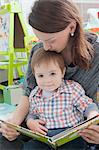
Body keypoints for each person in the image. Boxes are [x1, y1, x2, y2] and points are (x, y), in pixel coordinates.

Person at [0, 0, 99, 149]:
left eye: (50, 40)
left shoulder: (96, 53)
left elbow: (90, 108)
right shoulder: (38, 50)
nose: (45, 47)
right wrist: (13, 124)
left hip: (80, 130)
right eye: (41, 40)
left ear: (71, 27)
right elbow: (28, 95)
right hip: (42, 128)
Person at [23, 47, 99, 150]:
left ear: (62, 72)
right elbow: (32, 113)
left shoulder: (71, 89)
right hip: (46, 136)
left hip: (70, 135)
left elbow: (86, 104)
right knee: (30, 147)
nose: (47, 80)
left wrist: (92, 114)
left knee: (75, 146)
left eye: (53, 74)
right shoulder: (35, 94)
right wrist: (30, 122)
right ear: (35, 76)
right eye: (41, 76)